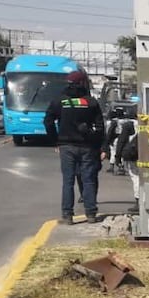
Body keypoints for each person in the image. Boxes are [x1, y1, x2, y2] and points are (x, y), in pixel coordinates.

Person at [44, 71, 105, 224]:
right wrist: (98, 145)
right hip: (87, 146)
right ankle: (91, 213)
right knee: (89, 179)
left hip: (66, 146)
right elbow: (100, 127)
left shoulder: (59, 101)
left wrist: (55, 140)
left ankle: (67, 215)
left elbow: (48, 122)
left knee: (68, 181)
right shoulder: (91, 102)